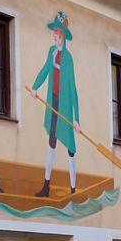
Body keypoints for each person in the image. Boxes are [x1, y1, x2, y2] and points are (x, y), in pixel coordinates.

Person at [29, 12, 79, 197]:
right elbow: (45, 70)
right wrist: (35, 87)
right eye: (54, 31)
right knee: (51, 141)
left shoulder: (69, 58)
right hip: (53, 101)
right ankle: (46, 185)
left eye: (57, 31)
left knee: (70, 148)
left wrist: (77, 119)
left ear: (63, 35)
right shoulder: (51, 52)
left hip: (65, 105)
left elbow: (73, 89)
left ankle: (73, 189)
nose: (54, 34)